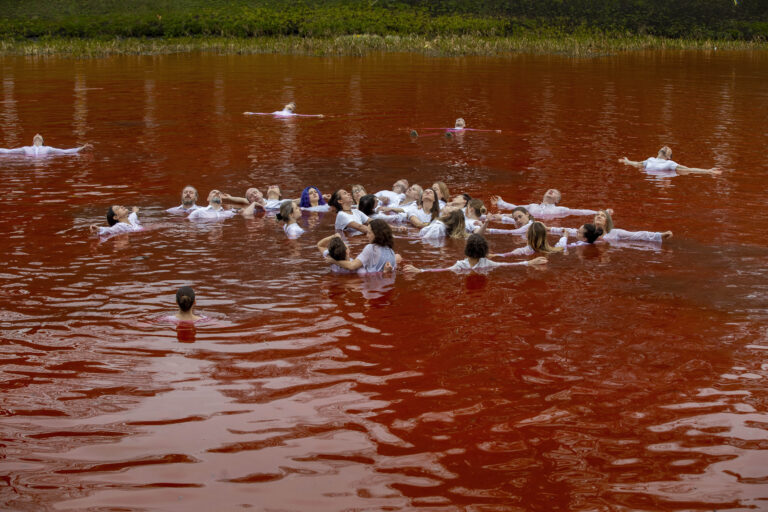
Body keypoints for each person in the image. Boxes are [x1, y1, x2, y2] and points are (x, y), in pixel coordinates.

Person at [403, 234, 547, 273]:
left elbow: (439, 270)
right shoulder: (487, 263)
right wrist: (529, 262)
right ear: (485, 251)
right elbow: (508, 264)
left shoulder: (460, 266)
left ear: (466, 250)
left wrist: (420, 270)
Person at [324, 219, 401, 273]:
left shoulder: (371, 248)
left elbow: (352, 266)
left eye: (369, 233)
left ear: (377, 234)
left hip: (371, 287)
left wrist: (333, 261)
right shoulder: (391, 251)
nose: (366, 235)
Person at [491, 189, 597, 219]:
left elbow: (579, 212)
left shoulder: (560, 209)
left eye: (555, 192)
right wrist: (501, 202)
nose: (551, 190)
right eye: (549, 190)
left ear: (557, 201)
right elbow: (515, 208)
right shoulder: (532, 206)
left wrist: (598, 212)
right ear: (543, 195)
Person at [618, 146, 722, 176]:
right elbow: (637, 164)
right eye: (665, 147)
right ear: (659, 150)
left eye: (669, 150)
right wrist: (627, 161)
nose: (666, 147)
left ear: (668, 157)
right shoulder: (650, 159)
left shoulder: (669, 163)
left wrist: (708, 171)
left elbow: (689, 169)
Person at [592, 210, 673, 243]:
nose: (599, 216)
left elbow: (638, 234)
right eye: (597, 215)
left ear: (607, 221)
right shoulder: (586, 231)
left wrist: (660, 235)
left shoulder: (615, 233)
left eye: (602, 216)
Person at [494, 221, 567, 257]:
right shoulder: (556, 249)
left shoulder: (525, 250)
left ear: (526, 234)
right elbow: (565, 232)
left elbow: (505, 255)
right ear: (545, 235)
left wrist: (493, 255)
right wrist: (547, 228)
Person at [0, 134, 92, 156]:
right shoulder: (26, 148)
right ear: (33, 141)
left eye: (39, 136)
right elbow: (8, 151)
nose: (37, 135)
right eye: (35, 135)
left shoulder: (48, 149)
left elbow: (65, 151)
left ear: (42, 141)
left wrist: (82, 147)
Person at [243, 102, 324, 118]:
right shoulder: (293, 115)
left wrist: (251, 113)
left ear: (285, 106)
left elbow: (263, 114)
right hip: (286, 118)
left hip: (278, 117)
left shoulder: (277, 112)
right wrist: (317, 115)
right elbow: (305, 116)